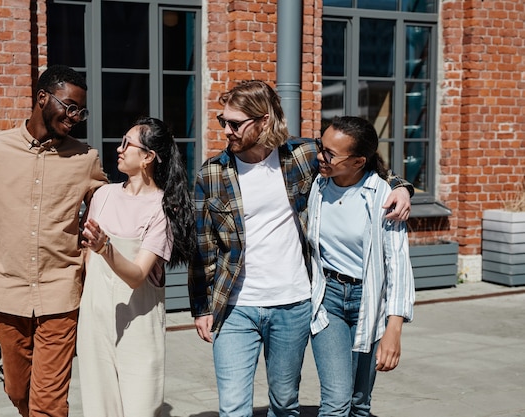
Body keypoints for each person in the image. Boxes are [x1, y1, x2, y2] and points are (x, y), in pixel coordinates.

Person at [188, 80, 413, 417]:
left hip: (292, 304)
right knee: (233, 407)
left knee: (284, 404)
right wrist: (201, 307)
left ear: (264, 121)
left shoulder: (303, 156)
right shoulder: (213, 173)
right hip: (235, 305)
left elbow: (362, 165)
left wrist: (401, 187)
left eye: (236, 123)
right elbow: (201, 246)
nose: (227, 130)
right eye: (224, 121)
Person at [0, 65, 107, 417]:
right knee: (18, 390)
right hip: (9, 294)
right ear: (41, 98)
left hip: (61, 295)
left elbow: (110, 208)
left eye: (81, 111)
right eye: (69, 107)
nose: (75, 117)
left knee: (48, 405)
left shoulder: (86, 158)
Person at [77, 117, 196, 417]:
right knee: (98, 409)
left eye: (127, 143)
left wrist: (105, 247)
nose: (119, 149)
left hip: (138, 325)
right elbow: (87, 263)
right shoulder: (102, 196)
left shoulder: (162, 208)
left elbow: (137, 276)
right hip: (95, 321)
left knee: (141, 409)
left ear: (147, 157)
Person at [307, 116, 415, 417]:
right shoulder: (315, 182)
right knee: (336, 401)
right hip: (327, 299)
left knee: (359, 402)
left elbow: (398, 266)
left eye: (330, 154)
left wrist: (395, 329)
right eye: (320, 146)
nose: (320, 156)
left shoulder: (384, 196)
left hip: (368, 301)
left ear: (358, 162)